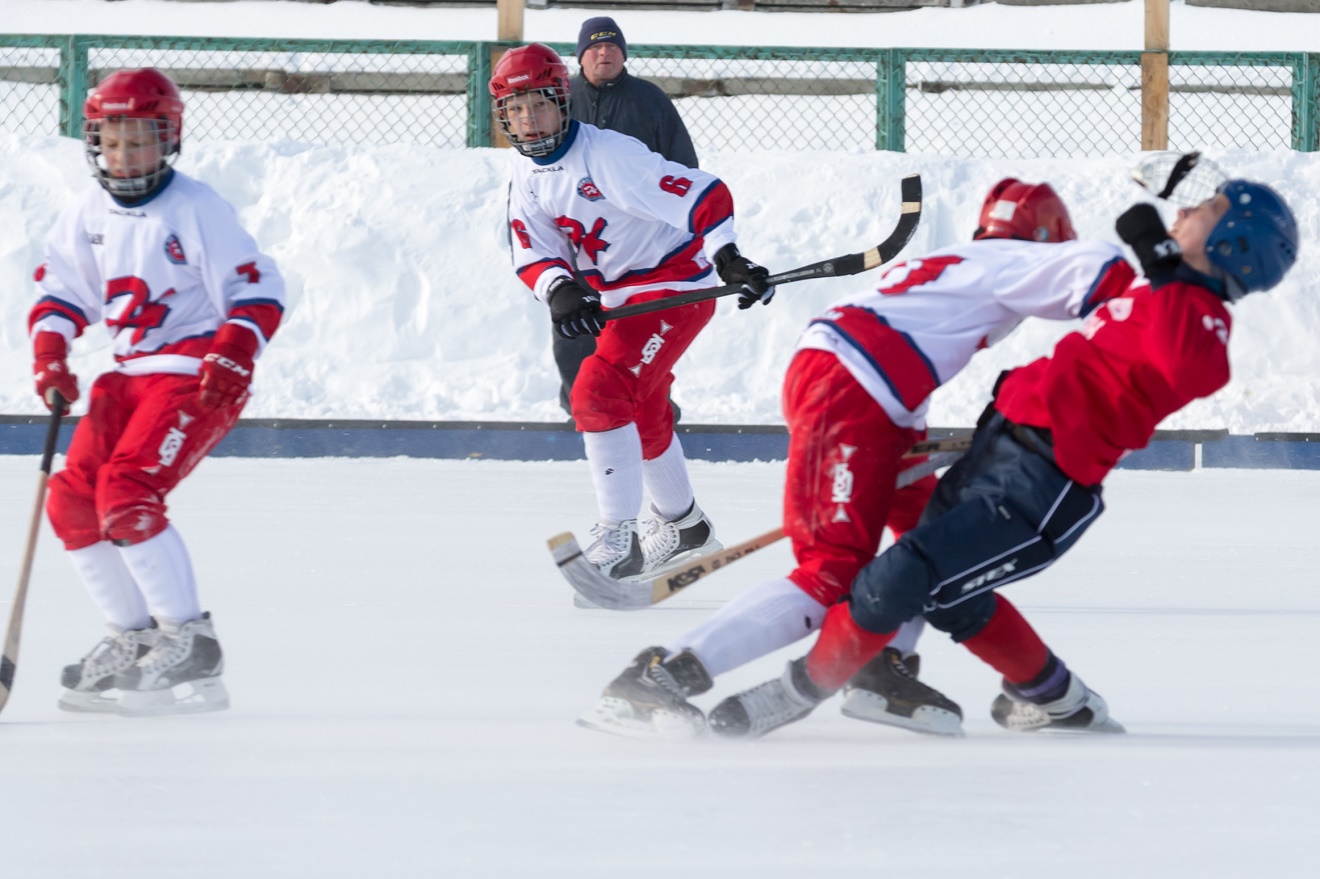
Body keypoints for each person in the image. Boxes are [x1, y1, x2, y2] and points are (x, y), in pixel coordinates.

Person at [704, 173, 1299, 739]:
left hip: (1044, 489)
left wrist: (1162, 259)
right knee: (951, 596)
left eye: (1212, 208)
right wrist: (1016, 394)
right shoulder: (1158, 295)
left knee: (900, 576)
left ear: (1235, 244)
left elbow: (1186, 364)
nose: (1191, 208)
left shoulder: (1204, 321)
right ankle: (1060, 700)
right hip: (1001, 453)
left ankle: (794, 694)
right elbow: (1100, 364)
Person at [577, 178, 1140, 739]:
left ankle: (890, 672)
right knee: (832, 569)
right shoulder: (1015, 258)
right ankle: (656, 678)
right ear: (1047, 240)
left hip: (872, 390)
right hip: (851, 388)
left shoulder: (960, 261)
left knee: (932, 548)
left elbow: (902, 339)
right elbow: (1105, 272)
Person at [30, 68, 286, 717]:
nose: (124, 155)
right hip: (127, 376)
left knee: (127, 490)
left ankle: (190, 643)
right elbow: (63, 291)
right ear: (94, 142)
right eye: (112, 140)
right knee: (72, 500)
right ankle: (136, 638)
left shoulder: (196, 207)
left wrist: (233, 351)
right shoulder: (88, 210)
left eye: (139, 140)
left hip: (196, 375)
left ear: (168, 138)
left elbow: (259, 290)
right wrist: (51, 353)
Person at [491, 43, 772, 581]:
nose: (530, 119)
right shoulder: (525, 172)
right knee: (639, 409)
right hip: (620, 299)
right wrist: (559, 289)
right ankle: (684, 523)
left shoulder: (609, 157)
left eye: (541, 104)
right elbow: (531, 248)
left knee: (597, 392)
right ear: (505, 116)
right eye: (518, 108)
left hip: (671, 287)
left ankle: (618, 538)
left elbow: (703, 194)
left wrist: (728, 256)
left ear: (563, 101)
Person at [552, 16, 700, 422]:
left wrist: (675, 221)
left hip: (639, 245)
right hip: (579, 240)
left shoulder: (649, 100)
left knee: (641, 331)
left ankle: (648, 405)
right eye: (596, 47)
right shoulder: (560, 99)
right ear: (581, 55)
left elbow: (683, 167)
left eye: (613, 47)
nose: (605, 53)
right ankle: (580, 407)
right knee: (575, 328)